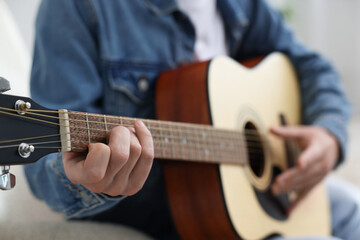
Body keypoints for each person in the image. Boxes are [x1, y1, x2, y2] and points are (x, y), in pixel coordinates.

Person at [24, 0, 359, 239]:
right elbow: (45, 160)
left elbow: (314, 68)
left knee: (353, 209)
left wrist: (328, 134)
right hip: (190, 220)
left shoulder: (242, 6)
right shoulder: (77, 6)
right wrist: (83, 178)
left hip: (263, 198)